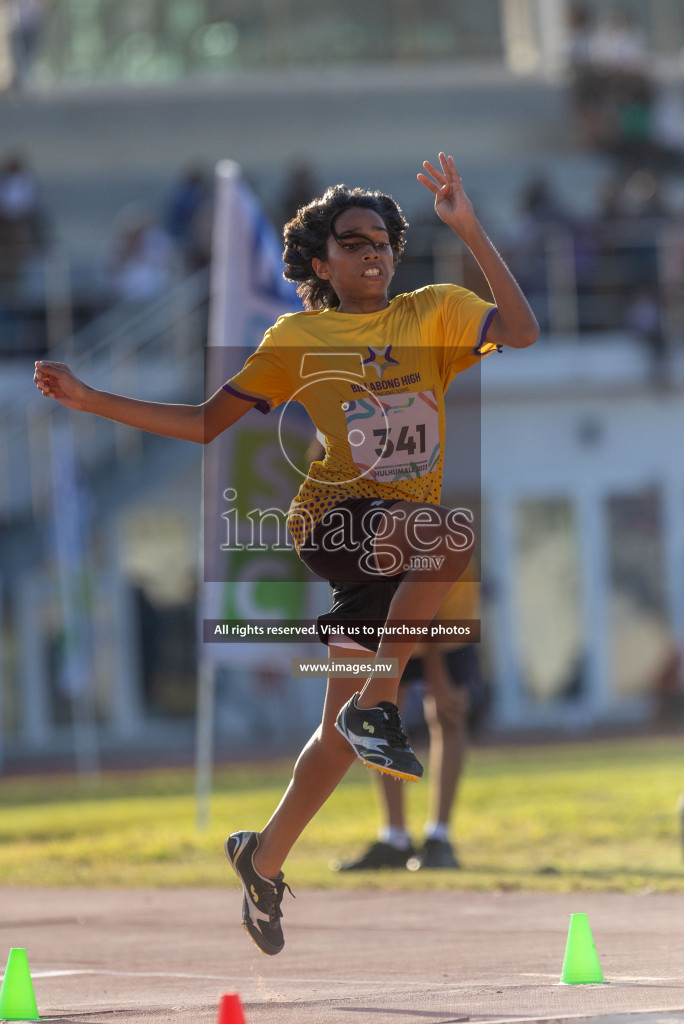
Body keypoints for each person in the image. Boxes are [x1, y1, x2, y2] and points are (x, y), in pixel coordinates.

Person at [34, 152, 538, 955]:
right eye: (353, 241)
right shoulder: (299, 337)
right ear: (320, 260)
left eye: (382, 240)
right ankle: (380, 701)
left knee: (336, 740)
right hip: (335, 522)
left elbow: (521, 330)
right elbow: (204, 424)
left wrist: (469, 228)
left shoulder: (435, 312)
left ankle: (261, 858)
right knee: (450, 536)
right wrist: (91, 398)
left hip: (397, 546)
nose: (372, 252)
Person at [332, 572, 481, 872]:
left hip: (448, 625)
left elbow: (428, 595)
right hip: (393, 627)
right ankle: (395, 838)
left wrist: (436, 676)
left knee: (446, 716)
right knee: (378, 721)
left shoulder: (419, 529)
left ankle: (440, 838)